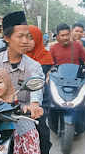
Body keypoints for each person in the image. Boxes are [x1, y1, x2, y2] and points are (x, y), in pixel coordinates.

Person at [49, 23, 85, 141]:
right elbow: (50, 63)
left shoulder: (77, 46)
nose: (65, 37)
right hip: (60, 79)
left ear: (69, 33)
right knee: (48, 95)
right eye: (62, 35)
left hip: (76, 78)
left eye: (67, 34)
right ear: (58, 36)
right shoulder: (53, 48)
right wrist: (49, 72)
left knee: (84, 100)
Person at [26, 25, 54, 153]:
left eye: (31, 38)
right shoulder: (18, 56)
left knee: (40, 130)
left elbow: (35, 81)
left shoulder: (44, 57)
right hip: (20, 98)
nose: (26, 41)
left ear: (38, 39)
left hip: (40, 98)